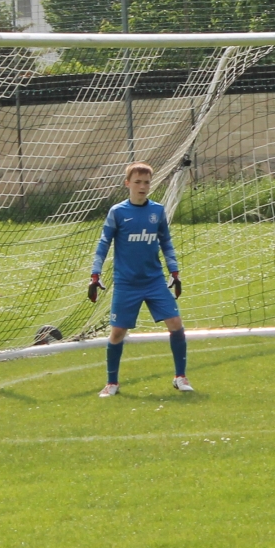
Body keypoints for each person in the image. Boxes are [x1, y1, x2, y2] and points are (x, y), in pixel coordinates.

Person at [89, 162, 190, 397]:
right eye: (137, 182)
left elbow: (166, 242)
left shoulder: (157, 211)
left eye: (146, 182)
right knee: (117, 333)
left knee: (176, 323)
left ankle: (180, 377)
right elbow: (104, 243)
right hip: (126, 283)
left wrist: (174, 272)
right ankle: (112, 383)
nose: (142, 186)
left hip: (154, 281)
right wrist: (95, 274)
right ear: (128, 184)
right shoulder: (118, 212)